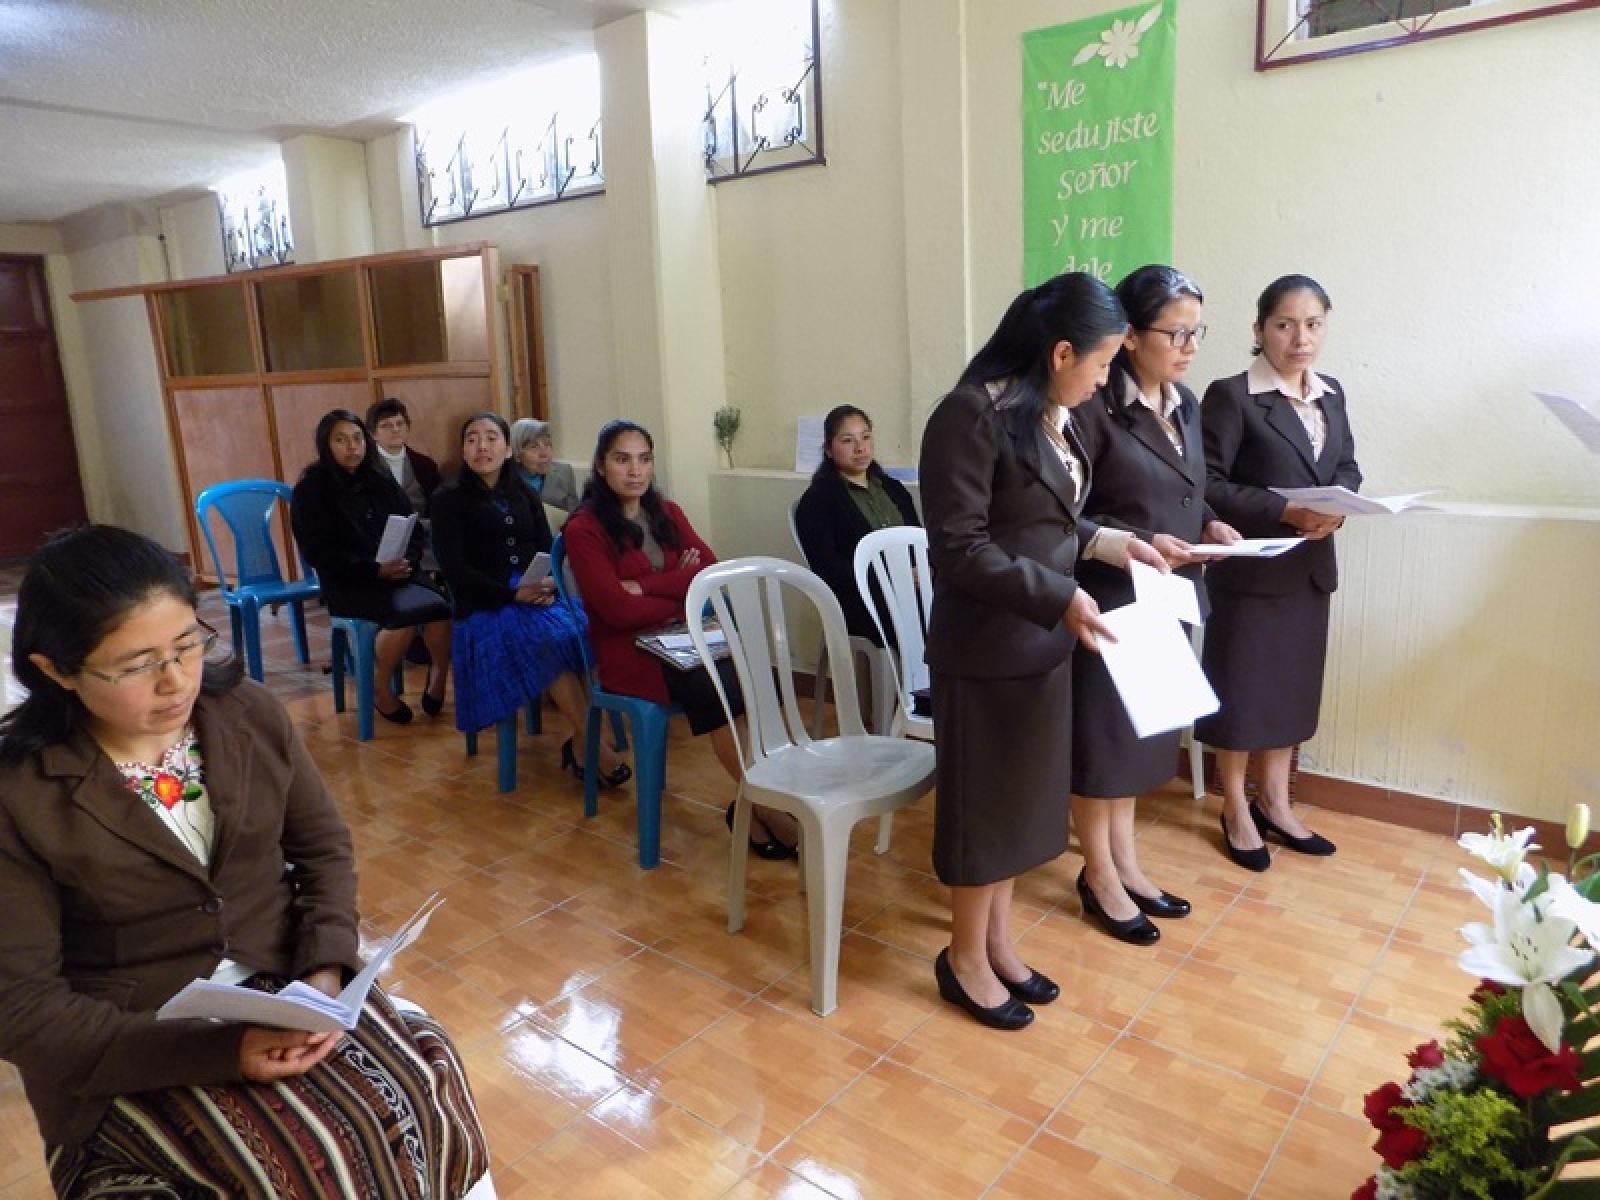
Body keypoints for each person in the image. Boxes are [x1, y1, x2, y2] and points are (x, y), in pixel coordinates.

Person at [0, 525, 490, 1198]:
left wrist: (325, 968)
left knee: (426, 1084)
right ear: (56, 669)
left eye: (185, 646)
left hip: (286, 982)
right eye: (137, 664)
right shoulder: (21, 794)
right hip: (139, 1037)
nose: (176, 682)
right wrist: (224, 1050)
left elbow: (321, 848)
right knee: (306, 1170)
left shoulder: (245, 713)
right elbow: (22, 1006)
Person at [920, 272, 1169, 1030]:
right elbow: (959, 548)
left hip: (1043, 645)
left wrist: (1123, 545)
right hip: (987, 650)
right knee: (983, 814)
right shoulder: (969, 415)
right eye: (1098, 366)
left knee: (1022, 810)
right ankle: (963, 958)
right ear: (1060, 352)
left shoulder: (1050, 415)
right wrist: (1059, 595)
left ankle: (997, 941)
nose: (1102, 384)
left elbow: (1055, 521)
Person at [1070, 265, 1242, 944]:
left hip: (1168, 592)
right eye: (1177, 332)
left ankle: (1126, 863)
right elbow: (1069, 510)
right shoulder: (1092, 405)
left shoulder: (1186, 402)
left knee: (1141, 744)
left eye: (1198, 332)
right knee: (1103, 746)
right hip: (1109, 594)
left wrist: (1207, 525)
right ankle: (1098, 875)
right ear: (1132, 335)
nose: (1191, 346)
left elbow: (1186, 489)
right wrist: (1143, 540)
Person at [563, 420, 797, 860]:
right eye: (622, 459)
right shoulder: (584, 529)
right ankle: (767, 806)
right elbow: (616, 611)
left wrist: (649, 586)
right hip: (627, 653)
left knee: (749, 675)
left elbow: (710, 571)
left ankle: (757, 799)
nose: (635, 471)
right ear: (601, 465)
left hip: (681, 636)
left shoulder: (666, 513)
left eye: (644, 459)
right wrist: (678, 590)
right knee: (712, 685)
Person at [1199, 273, 1360, 868]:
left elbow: (1346, 467)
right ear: (1259, 329)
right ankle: (1234, 807)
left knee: (1290, 692)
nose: (1300, 338)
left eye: (1313, 324)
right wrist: (1285, 510)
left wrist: (1337, 513)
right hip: (1250, 571)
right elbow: (1208, 484)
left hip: (1310, 569)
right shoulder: (1232, 395)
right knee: (1241, 691)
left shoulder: (1332, 393)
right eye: (1285, 324)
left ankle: (1275, 801)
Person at [430, 412, 630, 787]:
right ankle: (593, 745)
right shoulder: (447, 499)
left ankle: (583, 741)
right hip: (484, 609)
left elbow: (544, 548)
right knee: (545, 642)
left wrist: (549, 582)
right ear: (463, 450)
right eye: (472, 439)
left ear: (508, 450)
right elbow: (454, 571)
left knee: (588, 628)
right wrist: (511, 593)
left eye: (491, 438)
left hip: (531, 597)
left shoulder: (521, 492)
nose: (482, 446)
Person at [291, 409, 452, 723]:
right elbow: (319, 552)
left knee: (442, 607)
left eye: (357, 438)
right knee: (405, 616)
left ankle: (439, 676)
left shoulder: (379, 479)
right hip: (349, 580)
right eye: (341, 440)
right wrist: (373, 570)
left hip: (398, 572)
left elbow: (412, 527)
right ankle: (378, 688)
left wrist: (409, 559)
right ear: (326, 445)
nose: (352, 447)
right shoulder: (312, 489)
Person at [793, 404, 921, 647]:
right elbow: (828, 567)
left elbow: (918, 538)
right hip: (862, 599)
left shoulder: (893, 489)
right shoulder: (818, 501)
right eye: (847, 440)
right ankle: (919, 684)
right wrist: (891, 577)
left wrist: (922, 570)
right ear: (829, 450)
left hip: (910, 590)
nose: (860, 448)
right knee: (933, 618)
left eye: (866, 437)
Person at [366, 397, 443, 517]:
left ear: (407, 428)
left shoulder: (426, 465)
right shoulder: (364, 466)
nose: (395, 429)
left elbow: (439, 507)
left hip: (424, 531)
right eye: (386, 425)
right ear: (372, 433)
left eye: (400, 423)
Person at [511, 418, 581, 513]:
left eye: (547, 444)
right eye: (534, 446)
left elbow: (574, 514)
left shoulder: (564, 472)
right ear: (517, 454)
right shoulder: (505, 478)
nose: (544, 454)